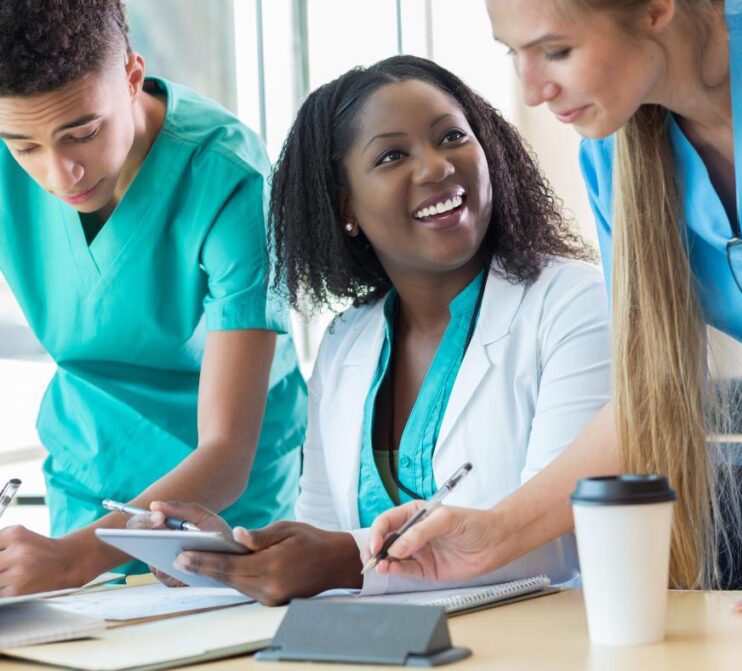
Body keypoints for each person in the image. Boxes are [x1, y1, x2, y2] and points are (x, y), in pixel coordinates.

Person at [130, 55, 612, 605]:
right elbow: (321, 537)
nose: (436, 167)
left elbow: (564, 531)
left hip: (542, 637)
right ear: (346, 208)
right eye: (392, 156)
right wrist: (240, 556)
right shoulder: (345, 342)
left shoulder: (572, 302)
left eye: (452, 137)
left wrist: (343, 559)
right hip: (378, 642)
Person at [368, 0, 742, 612]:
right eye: (514, 54)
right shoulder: (614, 156)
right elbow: (649, 389)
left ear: (655, 9)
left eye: (557, 51)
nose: (533, 90)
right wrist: (493, 537)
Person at [0, 0, 306, 595]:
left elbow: (226, 450)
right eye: (23, 147)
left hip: (217, 496)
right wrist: (70, 555)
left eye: (83, 133)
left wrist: (74, 559)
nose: (60, 174)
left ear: (132, 76)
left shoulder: (230, 178)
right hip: (90, 470)